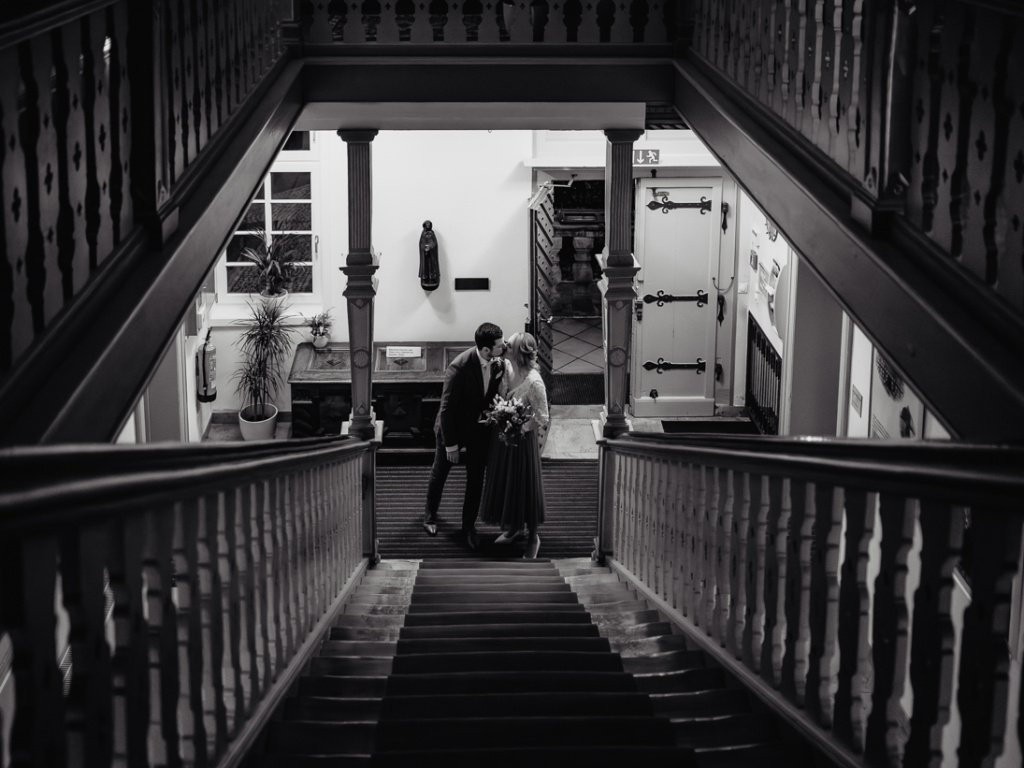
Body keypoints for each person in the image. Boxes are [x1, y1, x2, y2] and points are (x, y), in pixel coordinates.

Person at [424, 322, 506, 550]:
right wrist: (451, 445)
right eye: (500, 346)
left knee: (476, 479)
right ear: (486, 349)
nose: (504, 348)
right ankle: (429, 516)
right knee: (440, 473)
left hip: (479, 431)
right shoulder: (459, 367)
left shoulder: (497, 362)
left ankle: (468, 527)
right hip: (452, 431)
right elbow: (446, 409)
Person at [480, 332, 549, 558]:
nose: (505, 345)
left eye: (509, 344)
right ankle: (514, 528)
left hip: (522, 441)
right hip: (503, 440)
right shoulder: (506, 369)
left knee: (524, 486)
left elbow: (542, 417)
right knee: (507, 484)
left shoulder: (534, 382)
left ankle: (532, 537)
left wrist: (519, 427)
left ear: (517, 352)